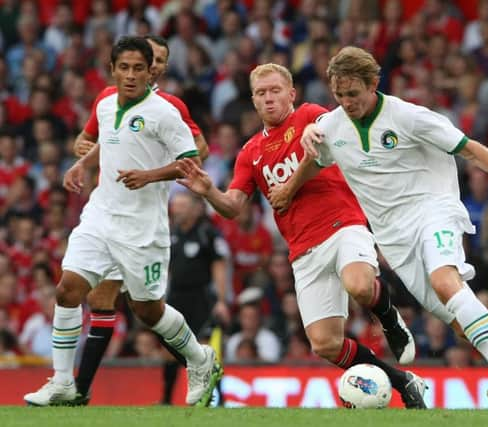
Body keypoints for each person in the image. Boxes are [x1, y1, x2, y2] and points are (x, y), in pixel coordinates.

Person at [270, 46, 488, 409]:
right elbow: (317, 160)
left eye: (353, 94)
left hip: (433, 211)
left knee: (446, 280)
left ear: (373, 84)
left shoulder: (410, 117)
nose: (347, 102)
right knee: (462, 324)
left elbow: (470, 149)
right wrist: (289, 187)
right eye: (339, 95)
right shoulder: (331, 127)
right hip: (395, 240)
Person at [176, 63, 426, 408]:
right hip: (303, 248)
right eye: (261, 93)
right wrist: (207, 191)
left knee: (359, 285)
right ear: (253, 100)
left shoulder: (311, 115)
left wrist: (289, 188)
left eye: (275, 90)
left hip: (342, 223)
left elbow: (321, 156)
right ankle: (404, 382)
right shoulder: (250, 153)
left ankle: (388, 317)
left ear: (291, 94)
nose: (269, 98)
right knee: (325, 343)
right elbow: (233, 206)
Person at [23, 36, 222, 407]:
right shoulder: (105, 103)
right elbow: (105, 142)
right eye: (124, 67)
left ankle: (200, 358)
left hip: (142, 227)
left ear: (151, 72)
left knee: (147, 309)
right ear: (112, 69)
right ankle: (64, 382)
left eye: (139, 68)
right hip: (100, 215)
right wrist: (81, 164)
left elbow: (191, 160)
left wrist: (150, 175)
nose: (131, 75)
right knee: (67, 290)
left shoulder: (165, 111)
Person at [161, 191, 230, 405]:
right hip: (175, 297)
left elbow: (219, 266)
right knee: (170, 348)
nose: (176, 210)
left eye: (182, 205)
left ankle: (218, 399)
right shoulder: (169, 234)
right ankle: (166, 400)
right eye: (175, 206)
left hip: (201, 298)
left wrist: (221, 300)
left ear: (194, 209)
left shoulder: (207, 233)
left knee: (204, 348)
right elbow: (167, 270)